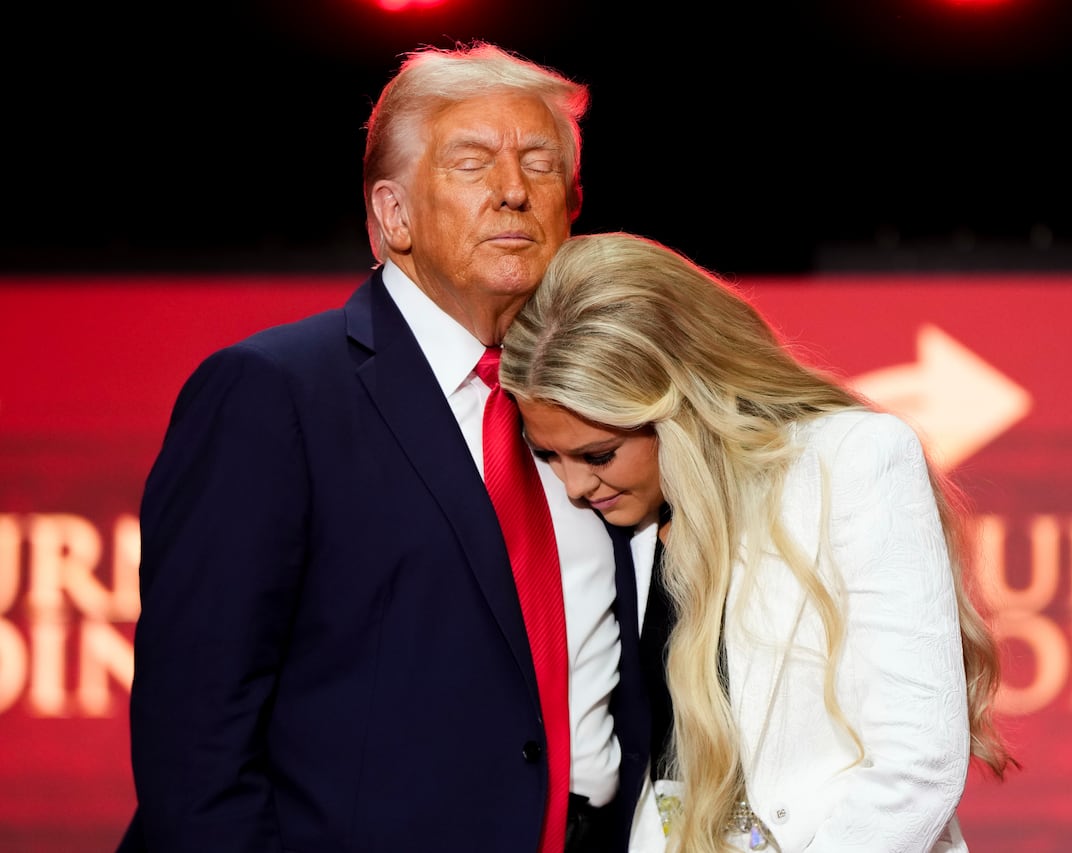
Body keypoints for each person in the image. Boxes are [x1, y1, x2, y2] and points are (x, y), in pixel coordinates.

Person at [118, 43, 652, 853]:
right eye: (473, 163)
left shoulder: (613, 405)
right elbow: (197, 733)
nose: (514, 191)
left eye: (540, 165)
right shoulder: (271, 395)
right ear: (392, 215)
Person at [498, 232, 1017, 853]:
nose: (576, 485)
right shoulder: (614, 525)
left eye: (598, 454)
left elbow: (915, 768)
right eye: (548, 455)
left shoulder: (850, 460)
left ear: (680, 404)